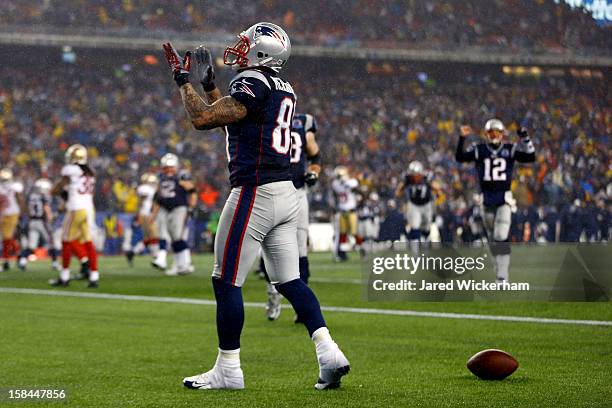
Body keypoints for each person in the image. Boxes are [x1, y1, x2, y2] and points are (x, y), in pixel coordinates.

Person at [162, 21, 349, 390]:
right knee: (290, 280)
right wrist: (208, 85)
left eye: (246, 43)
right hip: (286, 194)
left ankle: (228, 369)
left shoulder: (253, 81)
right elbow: (234, 120)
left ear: (262, 51)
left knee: (225, 280)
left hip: (255, 192)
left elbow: (203, 118)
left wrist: (182, 81)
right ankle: (329, 353)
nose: (239, 47)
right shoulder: (282, 86)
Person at [456, 119, 536, 282]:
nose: (494, 135)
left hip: (503, 198)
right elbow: (460, 157)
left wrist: (526, 139)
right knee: (493, 239)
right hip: (486, 200)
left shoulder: (509, 149)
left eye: (496, 132)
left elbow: (530, 156)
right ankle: (499, 267)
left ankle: (502, 274)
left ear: (502, 134)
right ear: (486, 134)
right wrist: (462, 139)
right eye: (491, 132)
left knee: (500, 235)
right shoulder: (480, 150)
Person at [262, 112, 322, 321]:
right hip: (271, 188)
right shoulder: (266, 117)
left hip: (295, 190)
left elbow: (315, 156)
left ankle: (300, 307)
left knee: (300, 249)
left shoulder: (300, 123)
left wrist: (314, 172)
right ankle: (273, 294)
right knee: (269, 247)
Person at [49, 144, 99, 288]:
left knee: (65, 240)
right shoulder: (90, 171)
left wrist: (55, 190)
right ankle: (94, 276)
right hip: (88, 209)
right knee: (88, 243)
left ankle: (64, 277)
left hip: (76, 209)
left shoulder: (71, 169)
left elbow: (59, 187)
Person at [150, 154, 196, 276]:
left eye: (171, 167)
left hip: (179, 208)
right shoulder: (160, 178)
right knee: (169, 236)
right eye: (166, 167)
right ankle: (181, 265)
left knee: (177, 236)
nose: (168, 170)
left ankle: (184, 264)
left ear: (175, 167)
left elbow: (192, 191)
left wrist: (191, 207)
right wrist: (153, 214)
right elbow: (157, 198)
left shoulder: (181, 176)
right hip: (165, 208)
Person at [17, 178, 59, 271]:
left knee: (32, 245)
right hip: (42, 222)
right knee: (51, 243)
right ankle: (55, 263)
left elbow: (26, 209)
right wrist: (51, 217)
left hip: (32, 221)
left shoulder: (31, 196)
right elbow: (46, 208)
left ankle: (22, 262)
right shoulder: (43, 197)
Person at [0, 168, 24, 271]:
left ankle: (6, 261)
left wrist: (22, 211)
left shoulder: (13, 186)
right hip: (8, 213)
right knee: (7, 238)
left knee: (7, 238)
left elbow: (19, 198)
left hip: (11, 213)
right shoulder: (14, 186)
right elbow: (20, 199)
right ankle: (19, 254)